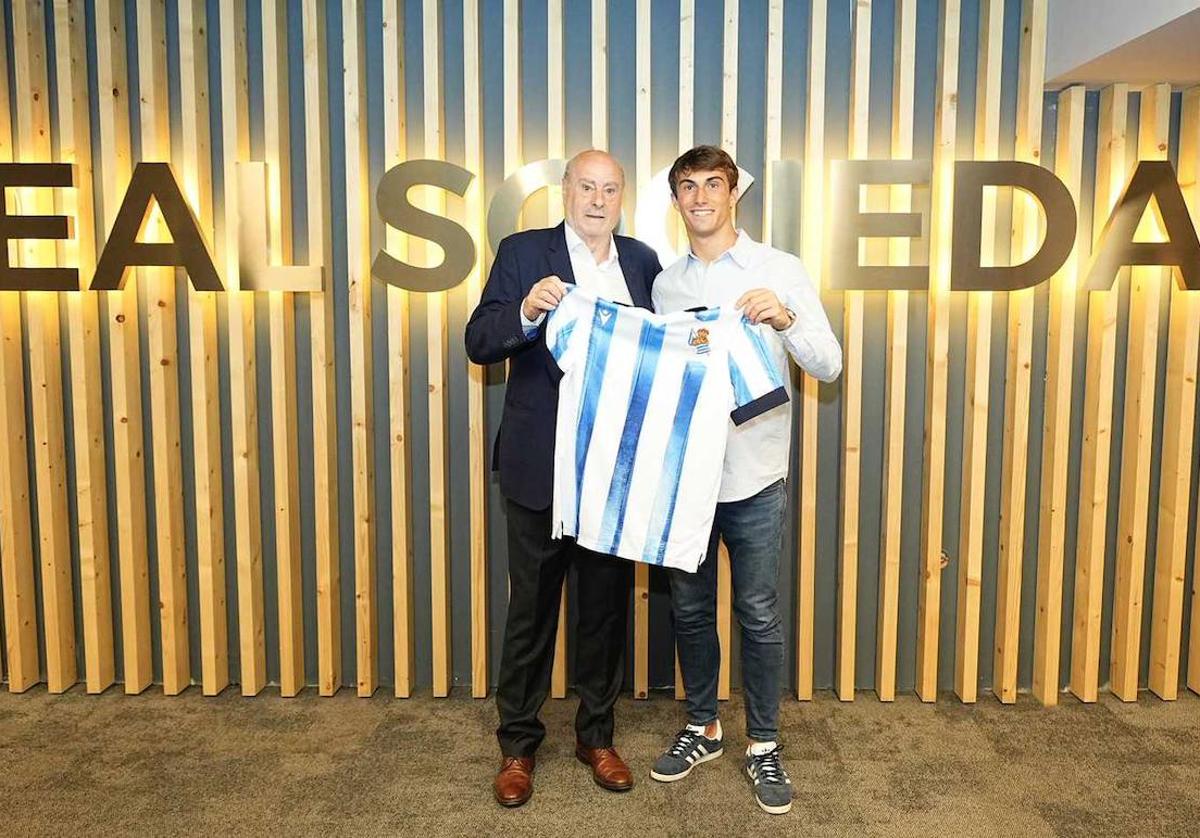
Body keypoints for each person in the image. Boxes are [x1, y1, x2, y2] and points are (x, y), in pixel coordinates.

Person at [647, 145, 842, 815]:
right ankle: (703, 727)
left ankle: (763, 745)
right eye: (687, 187)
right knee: (692, 611)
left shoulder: (777, 269)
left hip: (756, 475)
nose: (699, 197)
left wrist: (784, 320)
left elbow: (830, 365)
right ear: (676, 201)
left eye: (712, 185)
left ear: (734, 194)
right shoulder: (666, 285)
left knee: (757, 614)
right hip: (686, 479)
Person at [465, 149, 663, 808]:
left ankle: (596, 736)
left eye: (610, 189)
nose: (598, 200)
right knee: (531, 612)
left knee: (603, 612)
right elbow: (479, 340)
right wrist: (524, 311)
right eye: (586, 186)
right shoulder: (524, 252)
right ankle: (517, 746)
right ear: (565, 190)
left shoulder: (640, 262)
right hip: (539, 467)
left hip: (612, 471)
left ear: (622, 196)